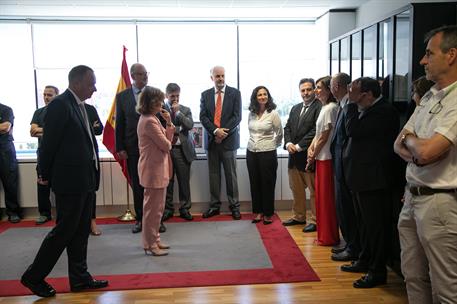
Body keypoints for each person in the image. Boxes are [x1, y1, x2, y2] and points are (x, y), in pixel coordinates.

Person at [21, 65, 108, 298]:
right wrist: (44, 174)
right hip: (69, 181)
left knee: (80, 231)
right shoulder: (60, 105)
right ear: (78, 83)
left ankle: (79, 278)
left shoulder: (81, 107)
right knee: (64, 231)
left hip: (86, 179)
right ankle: (33, 277)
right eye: (92, 83)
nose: (95, 88)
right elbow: (49, 144)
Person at [394, 25, 457, 304]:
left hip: (439, 202)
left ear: (451, 55)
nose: (423, 60)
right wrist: (415, 144)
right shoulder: (430, 95)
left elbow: (430, 150)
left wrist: (416, 144)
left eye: (429, 54)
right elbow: (398, 143)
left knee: (444, 287)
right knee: (413, 276)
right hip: (411, 197)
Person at [341, 77, 399, 289]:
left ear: (367, 94)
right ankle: (364, 260)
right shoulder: (366, 109)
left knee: (375, 228)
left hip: (374, 180)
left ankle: (377, 271)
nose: (350, 95)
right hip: (360, 178)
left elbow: (353, 131)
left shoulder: (384, 111)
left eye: (353, 91)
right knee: (364, 225)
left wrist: (349, 105)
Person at [116, 63, 156, 233]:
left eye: (146, 73)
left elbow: (160, 118)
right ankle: (140, 219)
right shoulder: (122, 97)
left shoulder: (153, 93)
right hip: (132, 148)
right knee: (138, 185)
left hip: (153, 147)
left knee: (154, 185)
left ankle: (155, 220)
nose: (145, 76)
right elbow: (120, 124)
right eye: (141, 74)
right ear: (132, 76)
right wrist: (120, 147)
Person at [199, 66, 242, 220]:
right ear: (212, 77)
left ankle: (234, 206)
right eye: (217, 76)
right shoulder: (205, 95)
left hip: (229, 142)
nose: (220, 79)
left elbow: (237, 117)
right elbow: (203, 117)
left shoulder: (235, 93)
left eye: (222, 75)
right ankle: (214, 206)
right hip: (212, 142)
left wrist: (223, 132)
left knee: (231, 175)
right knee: (214, 175)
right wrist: (215, 131)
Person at [137, 86, 174, 256]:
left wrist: (168, 123)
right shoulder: (149, 121)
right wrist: (168, 128)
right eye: (158, 101)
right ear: (151, 102)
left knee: (156, 208)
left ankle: (155, 240)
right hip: (153, 170)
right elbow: (166, 145)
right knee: (152, 209)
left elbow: (166, 142)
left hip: (157, 168)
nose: (161, 104)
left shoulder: (151, 118)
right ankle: (150, 244)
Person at [282, 78, 321, 233]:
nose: (306, 93)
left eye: (309, 89)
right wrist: (288, 143)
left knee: (313, 191)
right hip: (293, 157)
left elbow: (315, 131)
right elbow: (288, 127)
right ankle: (299, 216)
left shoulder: (319, 107)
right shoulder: (295, 108)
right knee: (296, 189)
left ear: (314, 90)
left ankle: (315, 220)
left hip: (309, 156)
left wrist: (298, 146)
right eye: (303, 90)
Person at [329, 73, 359, 261]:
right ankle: (349, 245)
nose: (331, 89)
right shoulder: (342, 105)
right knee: (343, 209)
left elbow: (347, 138)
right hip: (340, 166)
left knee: (348, 210)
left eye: (332, 85)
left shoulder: (350, 106)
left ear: (337, 86)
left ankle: (353, 248)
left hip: (347, 168)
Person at [307, 76, 339, 246]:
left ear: (329, 89)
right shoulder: (324, 107)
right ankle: (323, 235)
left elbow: (324, 137)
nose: (316, 90)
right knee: (321, 198)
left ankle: (328, 236)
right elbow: (318, 135)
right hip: (321, 157)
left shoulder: (331, 108)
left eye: (319, 87)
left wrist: (313, 154)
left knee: (326, 200)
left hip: (327, 158)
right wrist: (311, 150)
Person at [246, 86, 283, 225]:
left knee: (267, 183)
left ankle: (268, 213)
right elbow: (249, 130)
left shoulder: (273, 113)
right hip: (251, 151)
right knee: (254, 183)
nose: (262, 97)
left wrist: (273, 145)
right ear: (255, 97)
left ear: (268, 96)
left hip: (268, 152)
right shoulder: (251, 113)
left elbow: (279, 133)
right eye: (259, 94)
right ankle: (258, 211)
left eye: (265, 94)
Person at [162, 83, 196, 222]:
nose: (175, 99)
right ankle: (168, 209)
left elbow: (189, 125)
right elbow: (162, 128)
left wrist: (178, 114)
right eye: (172, 96)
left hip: (182, 150)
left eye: (177, 96)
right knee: (168, 182)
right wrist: (178, 128)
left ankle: (185, 208)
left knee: (184, 181)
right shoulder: (161, 110)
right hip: (167, 151)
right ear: (166, 96)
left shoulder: (185, 110)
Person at [30, 85, 59, 225]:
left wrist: (42, 131)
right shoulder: (38, 112)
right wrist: (51, 131)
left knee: (60, 186)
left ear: (56, 96)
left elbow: (61, 132)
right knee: (42, 184)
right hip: (42, 154)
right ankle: (44, 213)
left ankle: (62, 214)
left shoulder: (61, 112)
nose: (46, 97)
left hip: (59, 155)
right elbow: (33, 131)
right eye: (45, 95)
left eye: (50, 95)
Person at [0, 102, 21, 223]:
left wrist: (2, 128)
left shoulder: (6, 110)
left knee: (10, 182)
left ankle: (13, 212)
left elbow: (5, 127)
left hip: (4, 149)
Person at [85, 103, 103, 235]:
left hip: (90, 155)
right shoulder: (65, 106)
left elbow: (99, 129)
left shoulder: (90, 109)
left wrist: (86, 128)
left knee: (91, 190)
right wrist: (90, 127)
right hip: (72, 159)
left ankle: (92, 221)